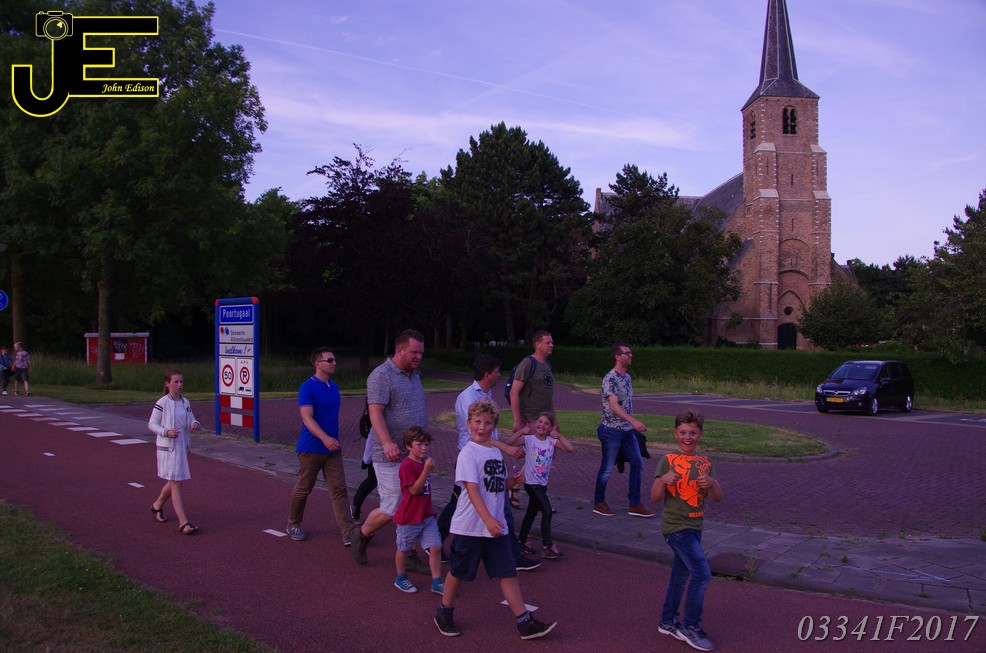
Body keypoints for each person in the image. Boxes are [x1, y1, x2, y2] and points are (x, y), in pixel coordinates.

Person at [434, 399, 557, 640]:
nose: (482, 427)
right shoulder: (468, 453)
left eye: (488, 423)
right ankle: (444, 611)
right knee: (458, 572)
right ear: (469, 423)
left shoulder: (494, 452)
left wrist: (512, 483)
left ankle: (524, 623)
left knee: (508, 573)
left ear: (494, 426)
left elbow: (496, 485)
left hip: (496, 528)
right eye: (477, 422)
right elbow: (472, 489)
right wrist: (488, 519)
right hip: (471, 528)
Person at [436, 355, 538, 571]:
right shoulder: (468, 397)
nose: (499, 375)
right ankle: (435, 542)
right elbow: (479, 435)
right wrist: (507, 448)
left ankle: (512, 554)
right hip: (472, 459)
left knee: (491, 505)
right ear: (487, 374)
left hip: (487, 457)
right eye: (497, 371)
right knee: (462, 504)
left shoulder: (486, 395)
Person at [350, 329, 428, 568]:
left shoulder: (414, 375)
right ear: (399, 350)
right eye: (414, 352)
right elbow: (375, 412)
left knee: (414, 503)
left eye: (421, 353)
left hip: (414, 455)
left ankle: (410, 554)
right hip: (390, 455)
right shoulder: (381, 375)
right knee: (393, 506)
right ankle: (361, 534)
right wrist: (386, 442)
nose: (418, 357)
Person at [651, 409, 724, 652]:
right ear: (675, 433)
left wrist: (712, 483)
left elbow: (718, 497)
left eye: (692, 432)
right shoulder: (668, 460)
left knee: (680, 576)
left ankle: (667, 621)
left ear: (700, 434)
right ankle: (691, 627)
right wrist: (663, 480)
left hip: (695, 527)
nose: (687, 437)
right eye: (683, 432)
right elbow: (654, 497)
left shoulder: (705, 463)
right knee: (702, 574)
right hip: (676, 529)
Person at [286, 347, 355, 545]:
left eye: (334, 359)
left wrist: (330, 441)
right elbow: (307, 418)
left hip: (332, 449)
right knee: (304, 488)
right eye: (330, 360)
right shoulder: (307, 387)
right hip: (311, 448)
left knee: (339, 490)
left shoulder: (334, 387)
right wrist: (324, 438)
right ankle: (293, 524)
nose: (334, 363)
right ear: (318, 364)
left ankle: (349, 533)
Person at [593, 342, 654, 518]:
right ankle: (599, 502)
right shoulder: (610, 379)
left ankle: (635, 504)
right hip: (611, 430)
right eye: (627, 353)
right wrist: (634, 421)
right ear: (617, 357)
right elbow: (614, 406)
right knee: (607, 468)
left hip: (627, 431)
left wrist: (630, 424)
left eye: (630, 352)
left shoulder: (627, 377)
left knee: (637, 463)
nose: (630, 355)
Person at [505, 411, 573, 559]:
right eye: (540, 422)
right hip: (531, 484)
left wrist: (559, 436)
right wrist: (521, 431)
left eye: (546, 423)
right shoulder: (529, 439)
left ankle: (521, 541)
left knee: (531, 512)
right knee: (547, 511)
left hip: (542, 484)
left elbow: (570, 448)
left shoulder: (551, 441)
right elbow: (509, 442)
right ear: (536, 423)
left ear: (551, 427)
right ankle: (547, 546)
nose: (542, 425)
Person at [148, 369, 201, 535]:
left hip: (181, 446)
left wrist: (194, 424)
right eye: (176, 382)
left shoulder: (185, 402)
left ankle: (157, 505)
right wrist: (166, 432)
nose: (179, 385)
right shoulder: (162, 402)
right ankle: (183, 522)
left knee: (174, 480)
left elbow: (191, 418)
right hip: (168, 448)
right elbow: (152, 424)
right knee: (177, 482)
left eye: (181, 382)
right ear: (167, 383)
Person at [508, 331, 557, 509]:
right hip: (531, 420)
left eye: (552, 342)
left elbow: (549, 396)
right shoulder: (528, 363)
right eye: (548, 342)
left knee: (541, 458)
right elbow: (514, 392)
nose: (551, 345)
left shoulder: (547, 365)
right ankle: (535, 497)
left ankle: (517, 487)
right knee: (537, 459)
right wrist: (517, 420)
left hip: (545, 421)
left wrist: (554, 421)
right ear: (537, 344)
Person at [393, 426, 444, 595]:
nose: (424, 448)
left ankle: (436, 580)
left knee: (435, 547)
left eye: (426, 444)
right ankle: (401, 577)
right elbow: (414, 490)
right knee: (403, 549)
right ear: (408, 446)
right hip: (409, 517)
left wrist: (426, 469)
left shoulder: (423, 463)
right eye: (419, 444)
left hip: (426, 515)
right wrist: (426, 471)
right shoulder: (406, 465)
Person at [350, 436, 376, 523]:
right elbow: (372, 436)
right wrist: (366, 459)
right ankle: (355, 508)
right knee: (372, 481)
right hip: (380, 456)